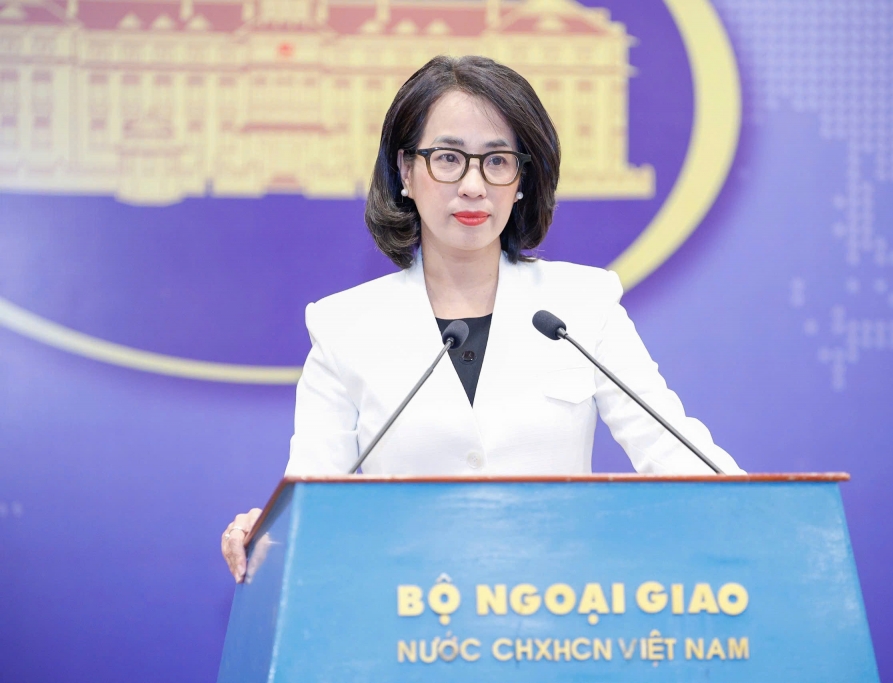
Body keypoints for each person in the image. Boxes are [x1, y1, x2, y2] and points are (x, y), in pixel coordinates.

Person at [222, 55, 743, 582]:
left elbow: (674, 451)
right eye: (448, 158)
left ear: (522, 179)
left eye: (497, 161)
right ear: (406, 171)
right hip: (404, 611)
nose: (473, 185)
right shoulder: (344, 328)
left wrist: (759, 514)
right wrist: (264, 534)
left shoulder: (583, 304)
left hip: (556, 609)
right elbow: (310, 499)